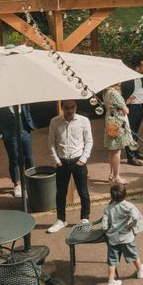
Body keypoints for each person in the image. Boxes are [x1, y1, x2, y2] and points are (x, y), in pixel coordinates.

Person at [47, 100, 93, 233]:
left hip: (78, 161)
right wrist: (56, 160)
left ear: (76, 107)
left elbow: (89, 140)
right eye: (67, 108)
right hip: (62, 162)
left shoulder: (84, 121)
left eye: (73, 107)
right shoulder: (54, 122)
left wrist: (84, 159)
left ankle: (85, 219)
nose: (70, 110)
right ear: (62, 108)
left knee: (83, 192)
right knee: (60, 193)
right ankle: (61, 220)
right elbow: (51, 142)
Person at [102, 184, 143, 285]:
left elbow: (103, 226)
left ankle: (110, 283)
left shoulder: (108, 208)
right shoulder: (128, 206)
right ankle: (140, 271)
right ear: (125, 195)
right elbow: (135, 217)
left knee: (112, 261)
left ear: (111, 196)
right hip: (127, 238)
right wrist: (132, 224)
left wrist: (108, 231)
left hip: (113, 239)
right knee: (133, 255)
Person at [0, 105, 35, 197]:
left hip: (25, 131)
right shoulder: (2, 102)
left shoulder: (22, 98)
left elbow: (28, 110)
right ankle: (16, 185)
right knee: (14, 159)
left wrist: (29, 123)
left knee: (29, 158)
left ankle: (29, 183)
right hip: (10, 134)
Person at [104, 84, 134, 185]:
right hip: (117, 124)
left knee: (112, 150)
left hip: (111, 121)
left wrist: (121, 107)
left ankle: (112, 174)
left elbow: (114, 107)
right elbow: (126, 110)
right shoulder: (114, 93)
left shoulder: (106, 92)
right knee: (117, 151)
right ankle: (117, 176)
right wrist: (126, 105)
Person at [121, 56, 143, 166]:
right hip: (133, 107)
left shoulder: (139, 77)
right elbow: (124, 91)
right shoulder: (129, 78)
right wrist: (125, 101)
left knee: (135, 131)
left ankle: (135, 151)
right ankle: (130, 157)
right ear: (137, 67)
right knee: (130, 132)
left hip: (140, 106)